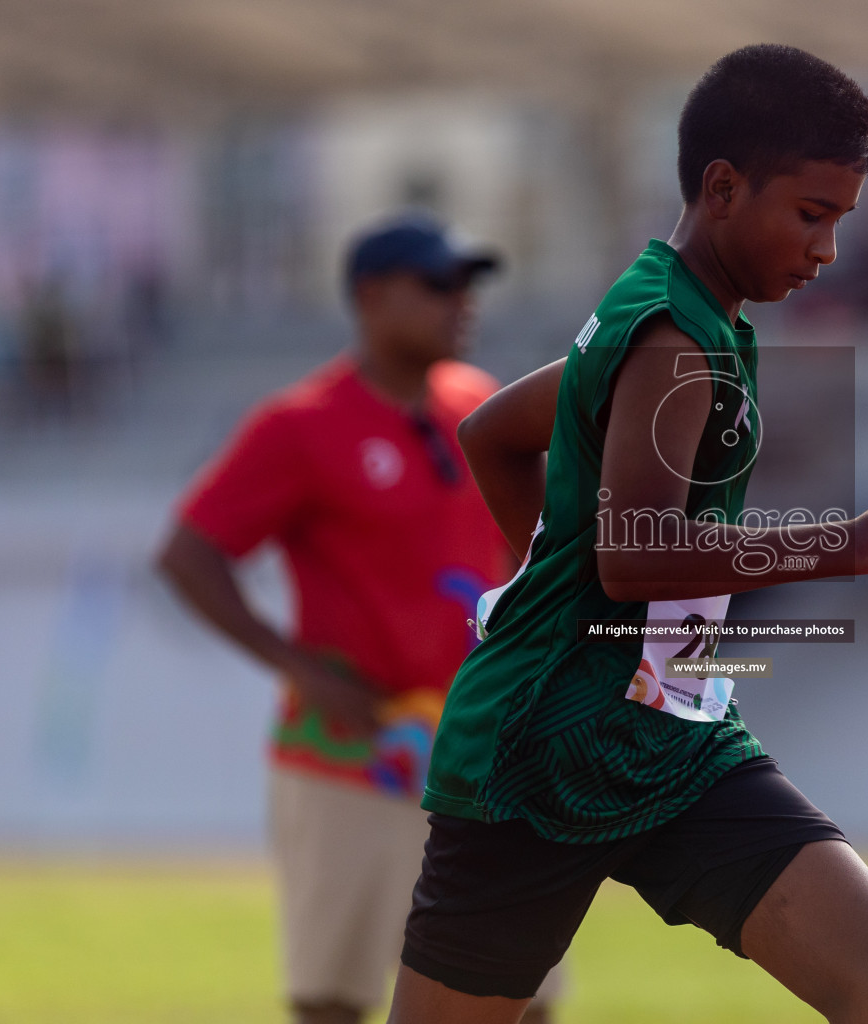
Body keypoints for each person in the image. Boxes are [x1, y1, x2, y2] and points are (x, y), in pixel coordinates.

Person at [389, 45, 868, 1024]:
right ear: (723, 187)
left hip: (670, 730)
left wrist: (552, 589)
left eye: (839, 223)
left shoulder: (687, 314)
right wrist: (851, 544)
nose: (824, 251)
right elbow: (633, 558)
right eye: (811, 215)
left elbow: (494, 435)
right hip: (540, 751)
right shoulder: (670, 335)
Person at [157, 215, 565, 1024]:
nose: (463, 302)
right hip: (352, 755)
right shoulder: (300, 425)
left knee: (519, 996)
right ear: (371, 297)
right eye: (439, 284)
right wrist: (297, 667)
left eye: (468, 286)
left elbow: (535, 555)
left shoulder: (482, 404)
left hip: (483, 751)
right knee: (333, 1002)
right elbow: (189, 553)